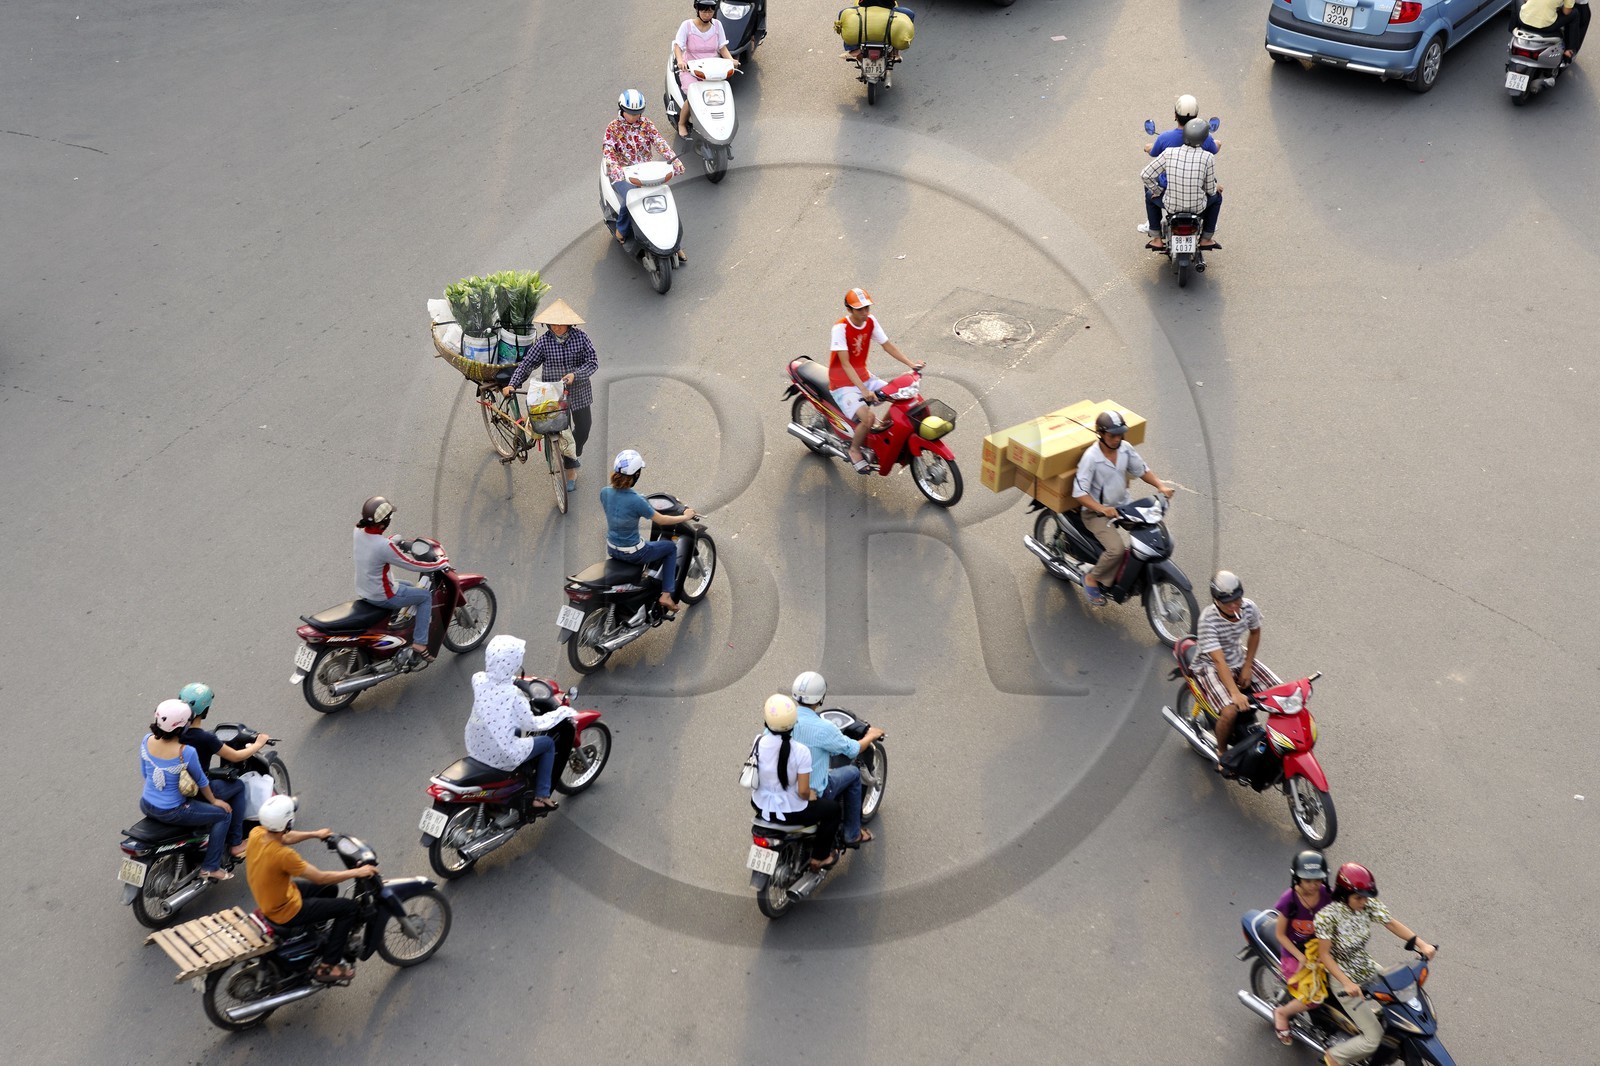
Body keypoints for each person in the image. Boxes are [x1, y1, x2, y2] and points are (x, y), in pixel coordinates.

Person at [1312, 863, 1436, 1066]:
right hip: (1342, 977)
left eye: (1366, 897)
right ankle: (1334, 1057)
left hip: (1366, 966)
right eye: (1358, 898)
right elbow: (1324, 956)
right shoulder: (1327, 918)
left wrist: (1421, 944)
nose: (1364, 902)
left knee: (1403, 997)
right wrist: (1347, 983)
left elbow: (1391, 923)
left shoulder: (1367, 904)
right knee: (1373, 1039)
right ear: (1344, 894)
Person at [245, 795, 378, 984]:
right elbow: (319, 876)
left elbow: (286, 836)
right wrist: (358, 872)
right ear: (287, 822)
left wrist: (316, 834)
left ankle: (314, 939)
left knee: (329, 889)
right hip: (284, 910)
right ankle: (327, 966)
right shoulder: (283, 856)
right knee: (349, 908)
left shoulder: (257, 833)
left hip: (272, 895)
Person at [1070, 410, 1173, 606]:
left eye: (1120, 434)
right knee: (1116, 550)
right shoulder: (1091, 458)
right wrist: (1101, 509)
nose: (1117, 439)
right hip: (1095, 513)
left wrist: (1160, 486)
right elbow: (1079, 493)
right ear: (1101, 434)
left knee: (1151, 531)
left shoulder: (1125, 448)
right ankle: (1091, 578)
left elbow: (1141, 470)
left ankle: (1132, 572)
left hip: (1123, 506)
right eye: (1112, 435)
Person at [501, 298, 597, 494]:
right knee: (563, 433)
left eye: (561, 323)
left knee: (584, 429)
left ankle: (572, 455)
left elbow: (592, 362)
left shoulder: (581, 338)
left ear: (569, 323)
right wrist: (512, 384)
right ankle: (570, 470)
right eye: (553, 324)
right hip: (553, 396)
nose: (557, 327)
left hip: (579, 393)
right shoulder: (543, 343)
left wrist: (575, 375)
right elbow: (527, 364)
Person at [465, 635, 568, 813]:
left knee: (513, 728)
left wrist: (509, 679)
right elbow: (533, 724)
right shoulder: (514, 696)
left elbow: (495, 686)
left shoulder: (478, 679)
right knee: (548, 744)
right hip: (501, 754)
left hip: (475, 745)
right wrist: (561, 713)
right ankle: (541, 797)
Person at [828, 287, 925, 473]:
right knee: (868, 417)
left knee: (900, 395)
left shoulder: (870, 321)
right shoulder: (840, 328)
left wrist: (911, 364)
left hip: (864, 377)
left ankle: (882, 426)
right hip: (842, 385)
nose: (865, 313)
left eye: (867, 308)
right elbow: (846, 364)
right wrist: (864, 391)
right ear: (849, 310)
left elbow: (887, 345)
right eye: (860, 309)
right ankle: (854, 449)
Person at [139, 699, 234, 881]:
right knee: (224, 814)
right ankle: (211, 866)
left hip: (146, 803)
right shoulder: (185, 751)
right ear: (181, 727)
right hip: (173, 811)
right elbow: (201, 781)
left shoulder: (146, 740)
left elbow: (145, 773)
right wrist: (215, 802)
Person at [1193, 569, 1282, 761]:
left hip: (1237, 655)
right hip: (1209, 665)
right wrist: (1234, 693)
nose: (1235, 605)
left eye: (1238, 599)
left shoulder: (1248, 607)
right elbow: (1218, 660)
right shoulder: (1208, 620)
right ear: (1216, 600)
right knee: (1230, 711)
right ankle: (1222, 753)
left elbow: (1255, 632)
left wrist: (1248, 666)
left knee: (1280, 693)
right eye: (1228, 602)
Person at [789, 671, 885, 848]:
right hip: (812, 793)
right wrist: (871, 735)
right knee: (853, 773)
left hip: (781, 789)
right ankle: (852, 833)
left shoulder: (781, 721)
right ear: (820, 698)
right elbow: (853, 749)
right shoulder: (824, 729)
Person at [178, 682, 271, 861]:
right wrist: (259, 744)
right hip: (200, 791)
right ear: (205, 710)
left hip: (179, 787)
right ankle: (236, 842)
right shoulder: (205, 738)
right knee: (237, 785)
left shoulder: (173, 732)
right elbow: (236, 756)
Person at [750, 695, 843, 872]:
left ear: (767, 721)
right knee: (833, 810)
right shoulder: (801, 751)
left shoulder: (758, 742)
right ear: (794, 722)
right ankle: (820, 857)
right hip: (792, 812)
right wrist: (811, 794)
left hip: (761, 805)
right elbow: (802, 792)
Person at [600, 449, 699, 612]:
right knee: (670, 548)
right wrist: (685, 517)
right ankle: (666, 595)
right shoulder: (637, 501)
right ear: (636, 475)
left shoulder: (605, 493)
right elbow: (662, 520)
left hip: (612, 548)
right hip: (634, 553)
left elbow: (620, 506)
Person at [353, 496, 448, 662]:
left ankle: (397, 626)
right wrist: (440, 564)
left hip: (365, 590)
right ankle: (420, 642)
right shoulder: (384, 546)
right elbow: (412, 563)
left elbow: (374, 548)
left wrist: (393, 540)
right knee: (424, 597)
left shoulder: (358, 532)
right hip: (383, 595)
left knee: (409, 585)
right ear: (385, 522)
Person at [604, 89, 687, 261]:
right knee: (630, 198)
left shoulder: (646, 124)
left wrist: (674, 160)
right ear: (622, 109)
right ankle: (622, 231)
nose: (634, 117)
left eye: (637, 113)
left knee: (664, 201)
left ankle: (675, 244)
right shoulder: (613, 128)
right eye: (631, 113)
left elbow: (659, 142)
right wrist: (616, 169)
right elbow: (608, 151)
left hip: (646, 171)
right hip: (624, 174)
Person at [1271, 849, 1334, 1043]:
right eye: (1308, 880)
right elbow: (1280, 934)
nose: (1314, 885)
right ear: (1297, 879)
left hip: (1319, 947)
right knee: (1312, 997)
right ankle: (1282, 1013)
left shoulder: (1326, 894)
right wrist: (1300, 956)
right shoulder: (1288, 900)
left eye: (1318, 880)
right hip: (1294, 953)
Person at [1143, 94, 1220, 247]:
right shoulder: (1207, 154)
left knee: (1149, 195)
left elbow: (1146, 174)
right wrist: (1214, 189)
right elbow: (1210, 190)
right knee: (1217, 196)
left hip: (1169, 200)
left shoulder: (1168, 148)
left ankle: (1156, 236)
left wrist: (1157, 191)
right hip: (1198, 205)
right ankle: (1206, 237)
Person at [673, 0, 739, 138]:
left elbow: (722, 47)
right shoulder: (687, 25)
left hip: (712, 70)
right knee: (693, 96)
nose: (707, 14)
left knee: (720, 95)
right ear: (697, 10)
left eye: (710, 11)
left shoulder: (717, 25)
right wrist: (680, 61)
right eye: (704, 11)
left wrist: (731, 60)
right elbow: (678, 46)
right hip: (691, 68)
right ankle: (682, 123)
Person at [1513, 0, 1585, 62]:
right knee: (1575, 13)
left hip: (1523, 20)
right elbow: (1566, 12)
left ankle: (1512, 29)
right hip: (1545, 26)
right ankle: (1569, 50)